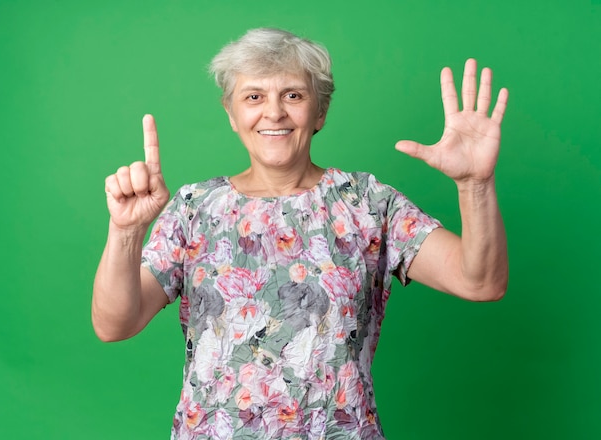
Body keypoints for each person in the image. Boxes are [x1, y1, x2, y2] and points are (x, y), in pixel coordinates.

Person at [92, 27, 508, 439]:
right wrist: (126, 232)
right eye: (253, 97)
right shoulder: (193, 209)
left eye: (293, 95)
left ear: (320, 111)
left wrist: (475, 185)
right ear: (231, 113)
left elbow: (481, 282)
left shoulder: (366, 202)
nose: (273, 112)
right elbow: (114, 324)